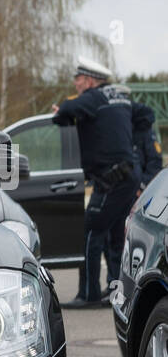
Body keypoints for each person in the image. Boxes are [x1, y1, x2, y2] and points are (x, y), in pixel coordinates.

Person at [52, 58, 141, 308]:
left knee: (91, 233)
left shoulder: (94, 97)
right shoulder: (117, 99)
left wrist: (60, 113)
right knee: (114, 239)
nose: (76, 84)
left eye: (78, 80)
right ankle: (116, 296)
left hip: (110, 181)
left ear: (90, 81)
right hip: (125, 178)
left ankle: (88, 296)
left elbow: (68, 109)